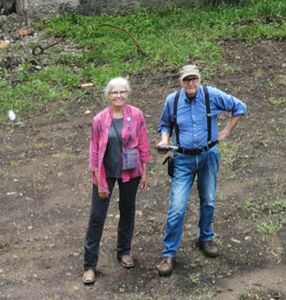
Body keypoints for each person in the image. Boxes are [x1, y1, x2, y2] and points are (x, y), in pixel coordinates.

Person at [155, 63, 247, 276]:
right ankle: (169, 253)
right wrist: (164, 141)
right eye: (186, 80)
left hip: (208, 155)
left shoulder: (211, 95)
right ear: (180, 81)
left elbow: (239, 107)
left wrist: (225, 132)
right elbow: (165, 124)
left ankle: (205, 237)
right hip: (183, 159)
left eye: (194, 79)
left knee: (208, 200)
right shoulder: (173, 100)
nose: (191, 83)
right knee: (177, 207)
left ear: (200, 78)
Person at [82, 76, 150, 285]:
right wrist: (99, 181)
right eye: (114, 92)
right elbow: (94, 152)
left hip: (131, 172)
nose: (118, 96)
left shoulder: (136, 115)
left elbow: (143, 144)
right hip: (106, 173)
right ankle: (90, 265)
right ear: (108, 95)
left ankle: (124, 251)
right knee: (96, 217)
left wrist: (145, 172)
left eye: (122, 92)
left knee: (128, 211)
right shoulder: (99, 119)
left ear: (128, 93)